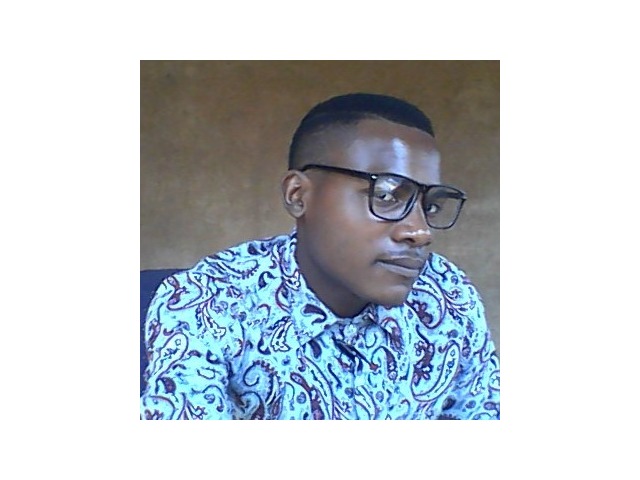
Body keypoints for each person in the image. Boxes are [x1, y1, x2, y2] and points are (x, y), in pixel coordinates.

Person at [140, 92, 500, 420]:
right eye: (387, 195)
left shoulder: (447, 295)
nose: (420, 231)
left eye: (430, 206)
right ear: (298, 195)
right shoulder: (209, 303)